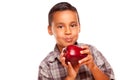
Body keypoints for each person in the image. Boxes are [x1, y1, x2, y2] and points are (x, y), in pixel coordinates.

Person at [38, 2, 115, 80]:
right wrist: (70, 77)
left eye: (72, 25)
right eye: (60, 27)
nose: (68, 32)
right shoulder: (46, 66)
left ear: (79, 27)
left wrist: (93, 67)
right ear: (50, 30)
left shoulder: (91, 52)